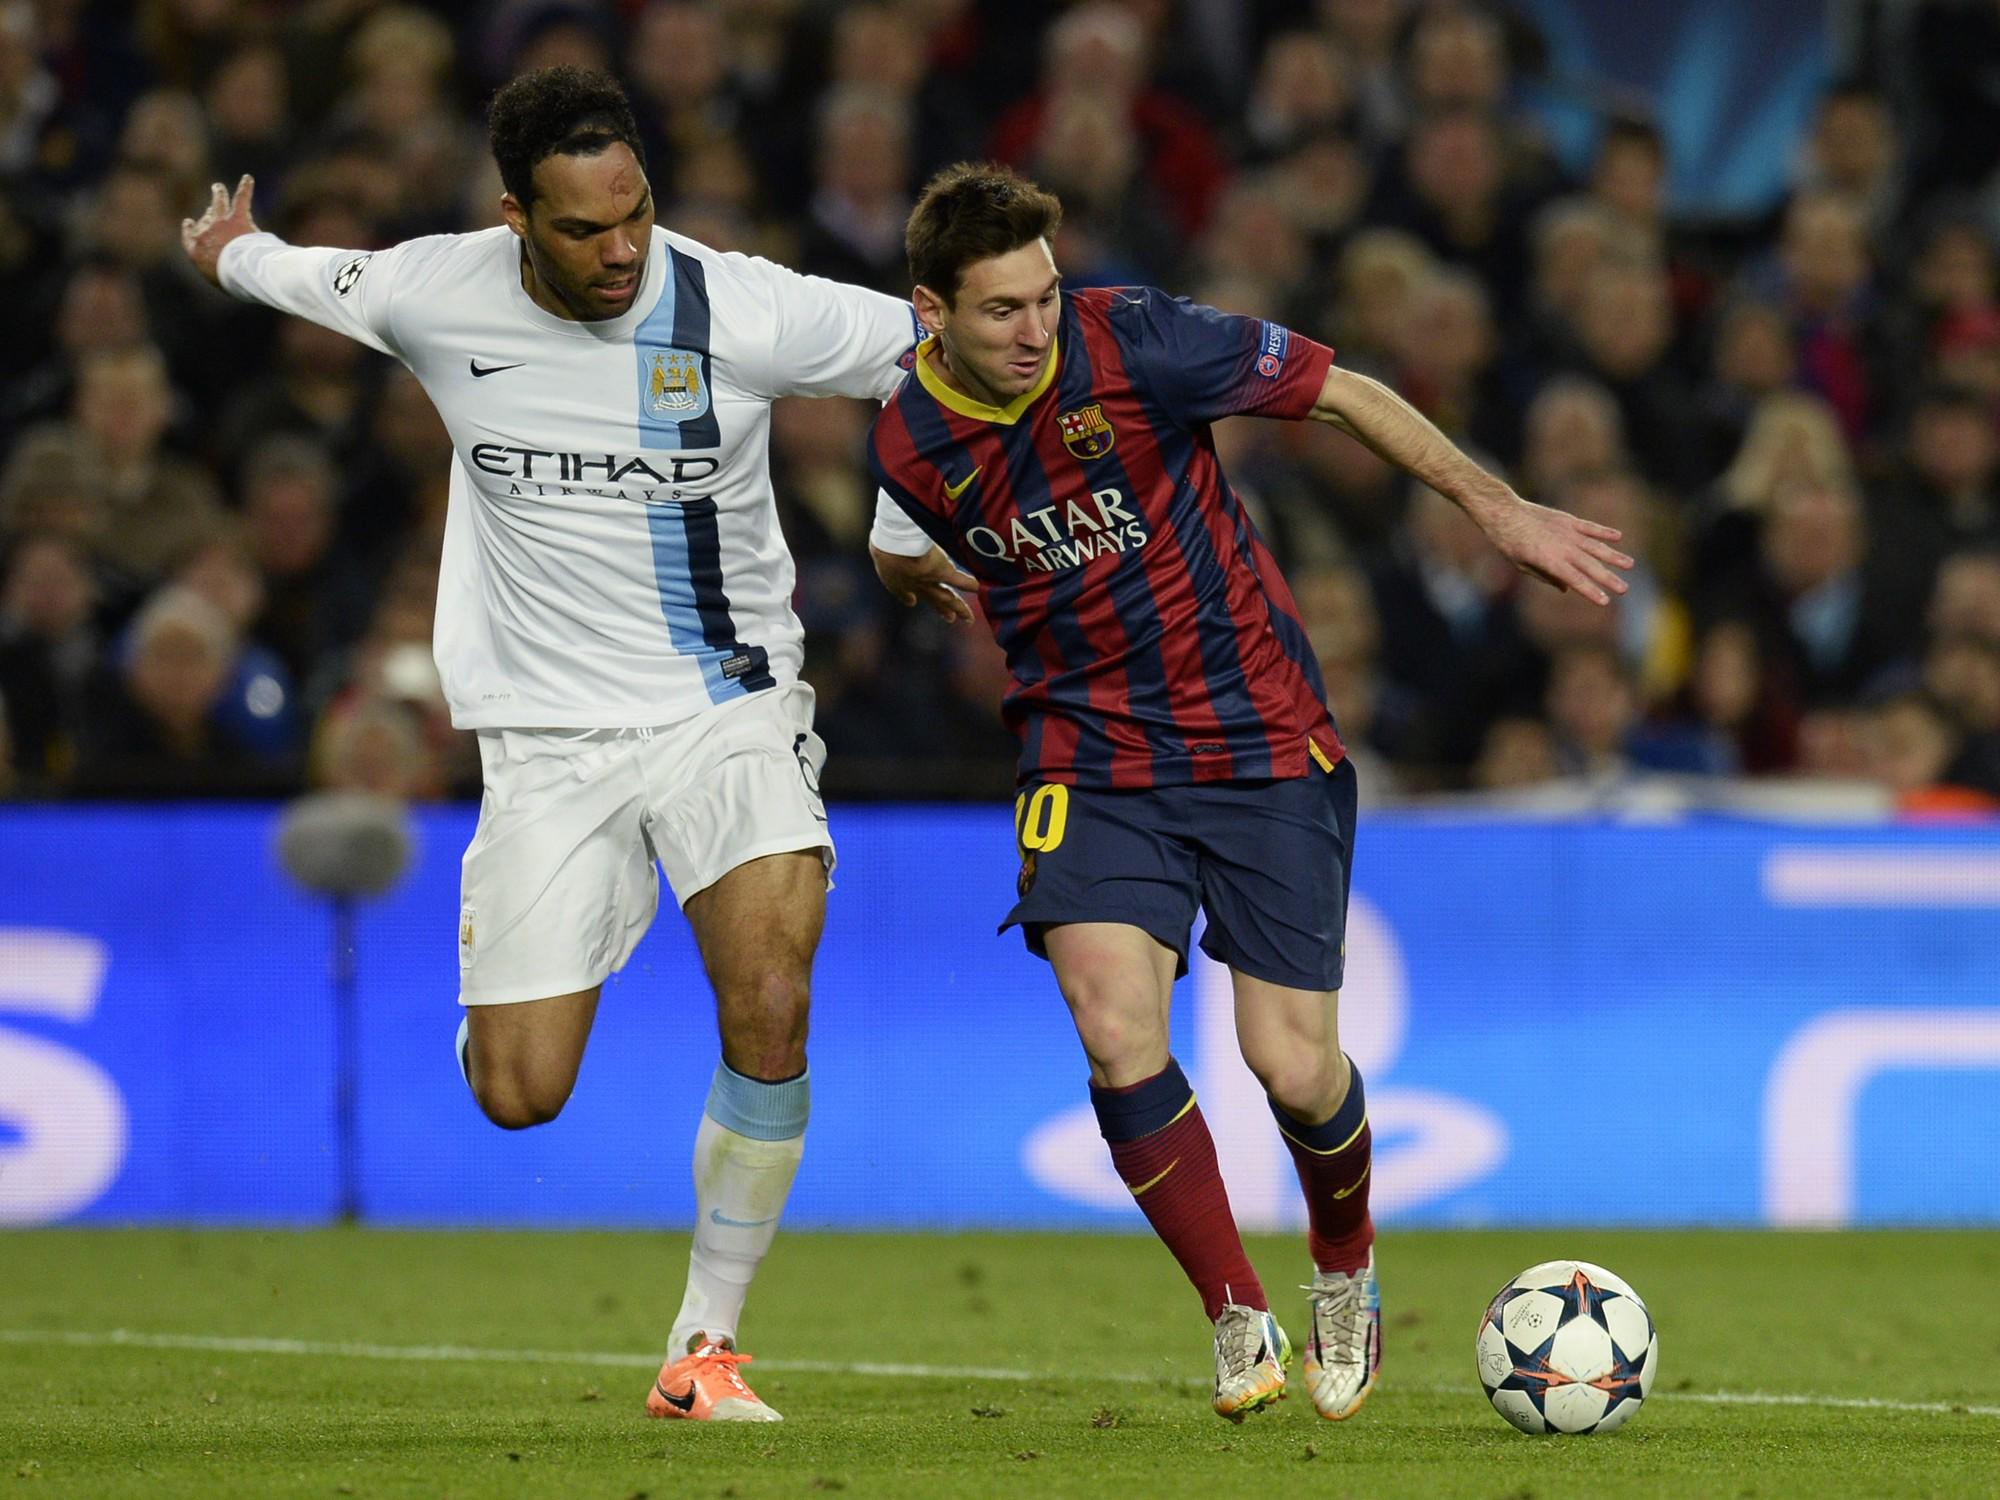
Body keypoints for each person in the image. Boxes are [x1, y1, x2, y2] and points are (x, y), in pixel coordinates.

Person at [182, 66, 963, 1424]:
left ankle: (705, 1348)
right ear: (516, 220)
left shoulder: (738, 304)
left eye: (637, 214)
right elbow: (297, 274)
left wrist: (903, 526)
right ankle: (510, 990)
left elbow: (938, 355)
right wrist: (231, 248)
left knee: (771, 991)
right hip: (547, 743)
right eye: (586, 229)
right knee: (518, 1092)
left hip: (726, 707)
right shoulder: (436, 291)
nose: (622, 251)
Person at [864, 164, 1631, 1424]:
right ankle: (1234, 1313)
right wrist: (904, 572)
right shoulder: (906, 431)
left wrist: (1493, 509)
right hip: (1085, 753)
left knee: (1290, 1064)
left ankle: (1343, 1265)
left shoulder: (1139, 341)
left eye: (1044, 297)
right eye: (1001, 309)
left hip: (1254, 735)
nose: (1035, 328)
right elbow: (901, 523)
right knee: (1112, 1023)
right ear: (930, 313)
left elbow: (1346, 393)